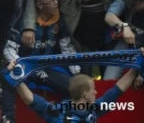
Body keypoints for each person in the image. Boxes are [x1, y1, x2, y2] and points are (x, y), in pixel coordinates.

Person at [9, 49, 143, 122]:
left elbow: (117, 90)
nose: (96, 93)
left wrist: (139, 62)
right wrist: (15, 74)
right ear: (85, 94)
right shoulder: (57, 111)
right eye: (93, 90)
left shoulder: (93, 109)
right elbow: (29, 98)